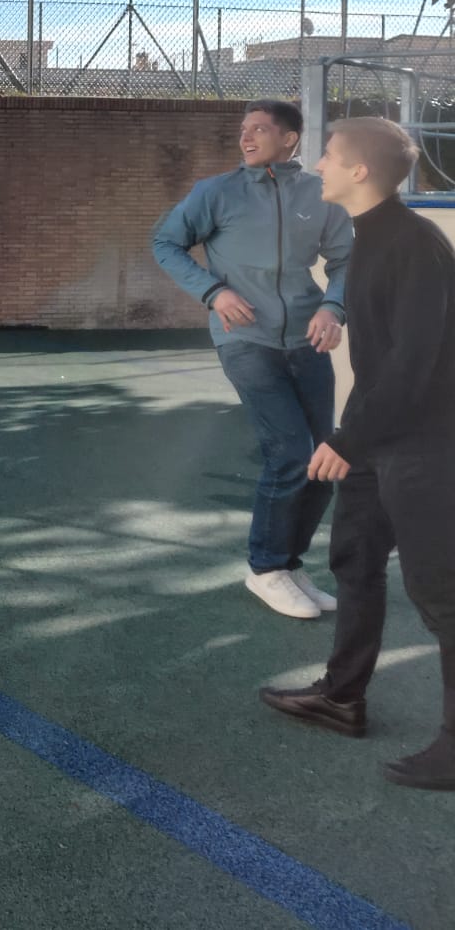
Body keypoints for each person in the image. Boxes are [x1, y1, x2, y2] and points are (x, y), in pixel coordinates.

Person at [261, 117, 455, 790]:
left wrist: (347, 438)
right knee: (353, 556)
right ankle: (342, 698)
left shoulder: (416, 245)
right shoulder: (367, 237)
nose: (318, 164)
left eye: (330, 156)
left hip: (427, 446)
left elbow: (414, 365)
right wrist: (356, 439)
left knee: (441, 593)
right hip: (378, 440)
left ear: (361, 171)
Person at [152, 100, 352, 619]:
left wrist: (333, 307)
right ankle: (265, 569)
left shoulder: (320, 194)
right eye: (244, 129)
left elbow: (347, 261)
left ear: (289, 139)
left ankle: (289, 565)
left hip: (307, 340)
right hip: (245, 340)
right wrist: (214, 292)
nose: (247, 137)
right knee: (290, 453)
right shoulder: (216, 193)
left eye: (260, 129)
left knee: (323, 458)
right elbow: (166, 243)